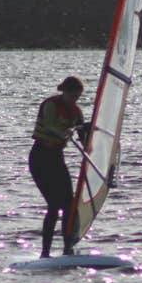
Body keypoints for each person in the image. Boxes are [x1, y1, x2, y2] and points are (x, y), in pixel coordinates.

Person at [29, 76, 87, 258]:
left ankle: (67, 249)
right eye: (72, 96)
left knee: (70, 205)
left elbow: (84, 137)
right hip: (40, 157)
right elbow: (49, 125)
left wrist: (90, 137)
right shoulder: (51, 105)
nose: (75, 100)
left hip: (56, 158)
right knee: (54, 205)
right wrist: (66, 132)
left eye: (78, 97)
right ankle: (45, 253)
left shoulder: (77, 111)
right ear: (64, 92)